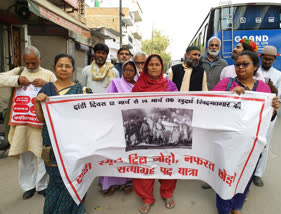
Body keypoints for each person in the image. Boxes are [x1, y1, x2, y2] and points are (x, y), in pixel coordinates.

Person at [213, 51, 279, 214]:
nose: (240, 67)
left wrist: (274, 109)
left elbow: (267, 119)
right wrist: (228, 96)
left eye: (245, 64)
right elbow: (210, 108)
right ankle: (224, 209)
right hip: (227, 143)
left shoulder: (263, 89)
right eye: (237, 64)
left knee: (245, 176)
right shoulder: (226, 84)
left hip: (252, 144)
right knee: (225, 177)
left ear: (255, 66)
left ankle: (237, 206)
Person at [34, 54, 91, 214]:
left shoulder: (81, 91)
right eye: (60, 65)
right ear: (54, 68)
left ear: (73, 70)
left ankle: (74, 210)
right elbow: (41, 118)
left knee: (74, 175)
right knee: (55, 177)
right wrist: (37, 103)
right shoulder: (46, 89)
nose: (64, 69)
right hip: (50, 141)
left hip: (74, 142)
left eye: (67, 66)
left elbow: (87, 118)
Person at [0, 46, 56, 199]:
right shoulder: (18, 71)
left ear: (40, 59)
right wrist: (16, 80)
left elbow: (58, 91)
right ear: (24, 61)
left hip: (41, 124)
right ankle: (28, 186)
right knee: (25, 156)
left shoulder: (48, 74)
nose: (31, 66)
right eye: (28, 63)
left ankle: (42, 186)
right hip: (22, 124)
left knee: (42, 155)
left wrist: (47, 84)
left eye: (33, 63)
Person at [132, 54, 178, 214]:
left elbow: (177, 106)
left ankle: (167, 193)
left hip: (163, 132)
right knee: (143, 164)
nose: (153, 67)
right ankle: (146, 197)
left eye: (157, 64)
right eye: (150, 64)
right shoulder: (138, 86)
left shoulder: (170, 86)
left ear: (162, 67)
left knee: (167, 162)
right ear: (145, 67)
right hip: (145, 132)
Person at [99, 61, 138, 194]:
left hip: (131, 124)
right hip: (116, 124)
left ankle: (126, 182)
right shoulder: (115, 83)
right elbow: (106, 102)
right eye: (125, 70)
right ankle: (109, 184)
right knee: (113, 154)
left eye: (131, 70)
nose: (128, 73)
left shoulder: (138, 86)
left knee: (128, 154)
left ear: (135, 72)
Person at [253, 46, 281, 187]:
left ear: (274, 59)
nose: (267, 61)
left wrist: (275, 92)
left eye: (270, 59)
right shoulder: (254, 71)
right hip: (253, 114)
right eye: (265, 58)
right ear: (261, 57)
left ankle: (258, 174)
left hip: (270, 115)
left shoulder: (279, 75)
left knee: (264, 144)